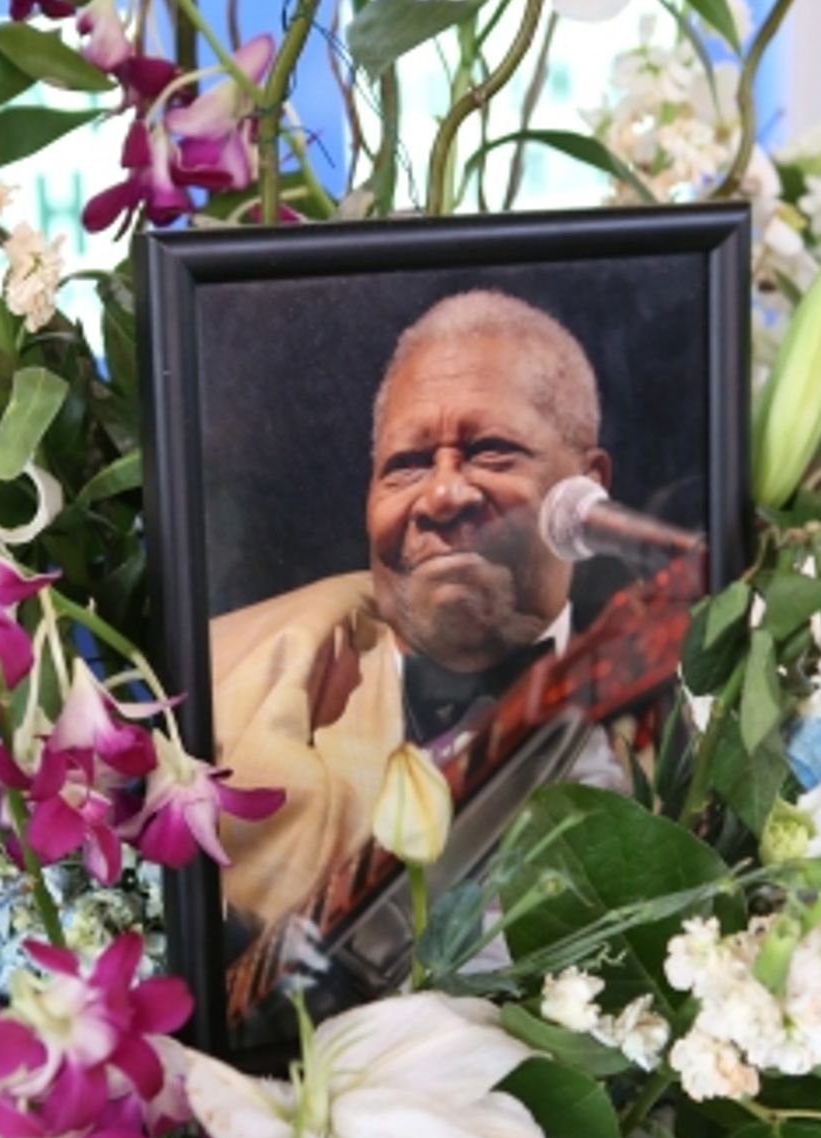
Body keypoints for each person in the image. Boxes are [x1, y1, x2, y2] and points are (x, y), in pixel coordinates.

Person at [208, 289, 614, 927]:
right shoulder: (229, 689)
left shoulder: (685, 703)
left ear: (589, 485)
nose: (443, 494)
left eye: (490, 451)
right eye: (407, 464)